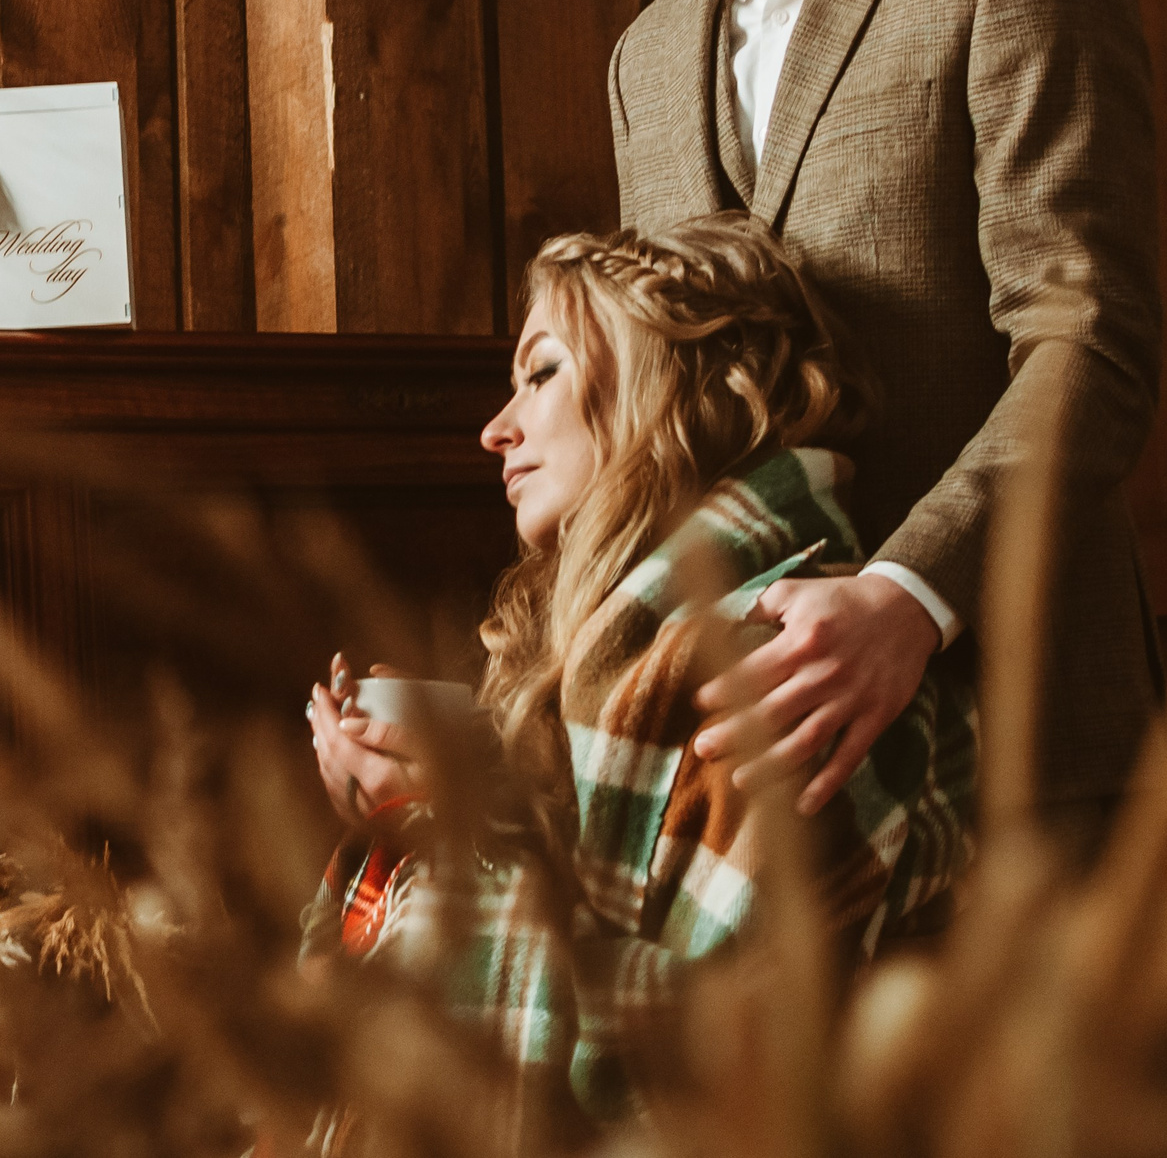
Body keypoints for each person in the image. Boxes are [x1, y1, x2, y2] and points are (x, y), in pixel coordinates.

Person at [498, 0, 1163, 837]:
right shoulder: (646, 61)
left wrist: (909, 594)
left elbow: (1091, 338)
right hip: (756, 787)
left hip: (1020, 739)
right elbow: (671, 418)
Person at [303, 216, 975, 1129]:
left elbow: (717, 1071)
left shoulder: (782, 663)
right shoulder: (598, 664)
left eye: (542, 372)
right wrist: (451, 788)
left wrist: (432, 839)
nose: (496, 430)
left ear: (674, 392)